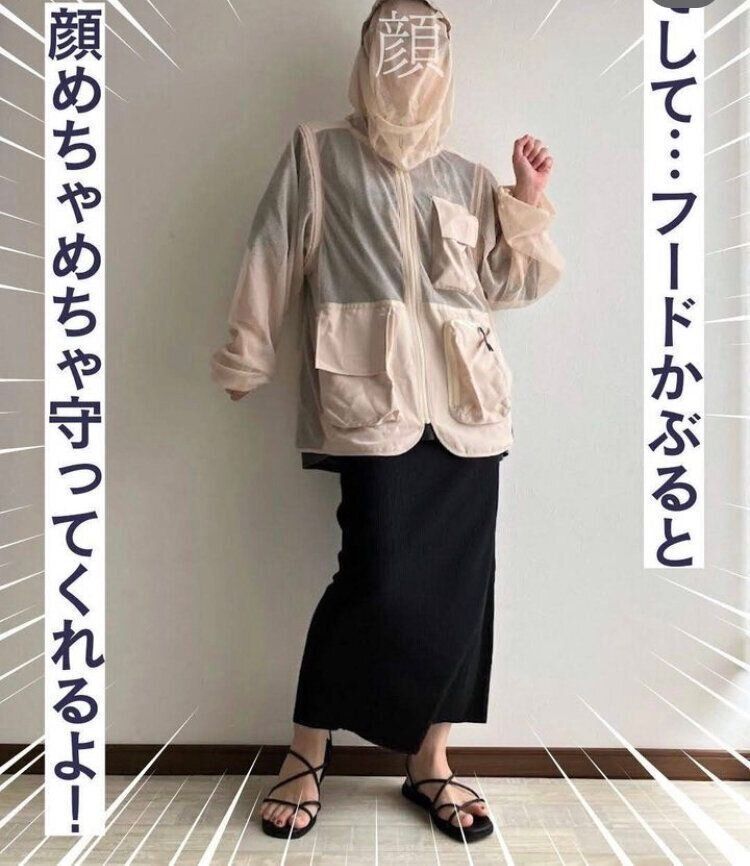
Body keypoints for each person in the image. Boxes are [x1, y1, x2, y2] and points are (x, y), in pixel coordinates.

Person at [210, 0, 564, 844]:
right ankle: (306, 750)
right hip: (373, 402)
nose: (412, 63)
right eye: (396, 43)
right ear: (369, 54)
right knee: (373, 579)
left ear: (445, 63)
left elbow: (507, 286)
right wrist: (247, 354)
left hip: (469, 409)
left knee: (463, 589)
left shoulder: (467, 177)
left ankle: (430, 761)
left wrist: (525, 200)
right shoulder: (318, 154)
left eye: (427, 47)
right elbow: (272, 252)